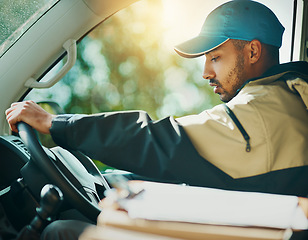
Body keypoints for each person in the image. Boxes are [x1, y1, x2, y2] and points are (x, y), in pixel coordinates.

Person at [4, 0, 308, 239]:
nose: (206, 73)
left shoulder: (267, 109)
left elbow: (163, 140)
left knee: (61, 232)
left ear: (253, 51)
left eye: (215, 57)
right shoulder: (279, 97)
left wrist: (57, 124)